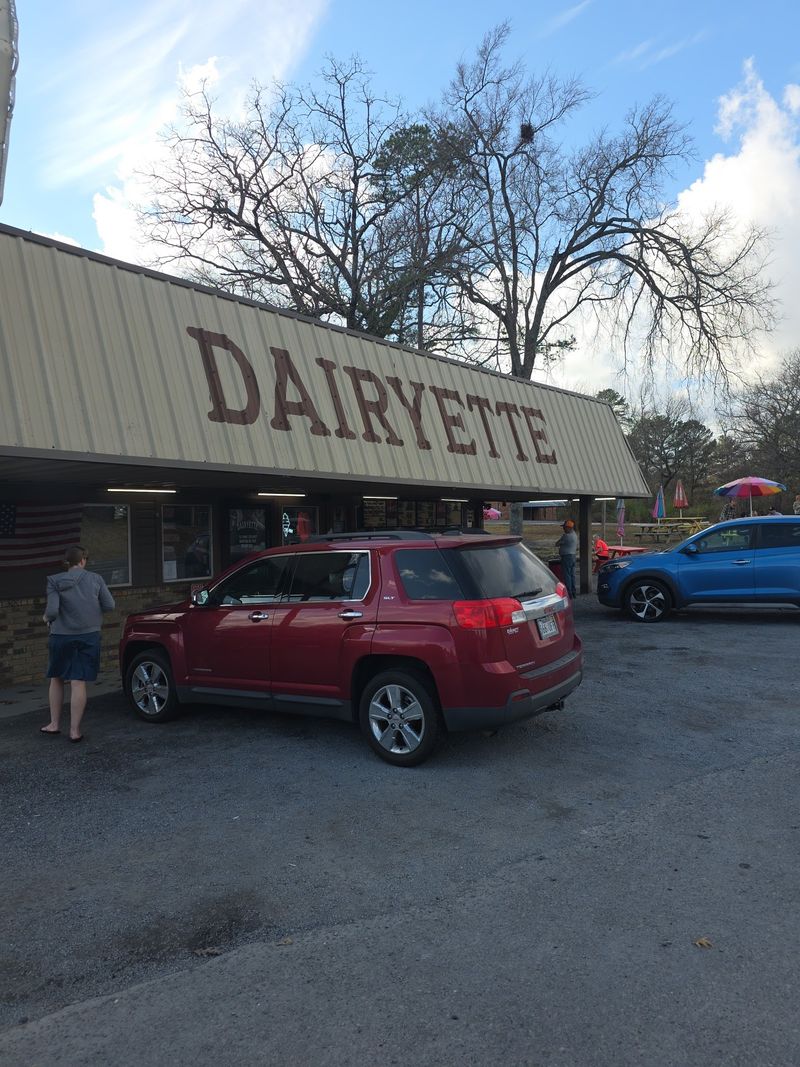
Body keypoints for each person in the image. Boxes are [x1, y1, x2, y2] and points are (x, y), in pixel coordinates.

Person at [40, 545, 115, 742]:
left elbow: (53, 611)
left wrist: (45, 617)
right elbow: (110, 605)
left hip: (61, 636)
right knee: (78, 680)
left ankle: (54, 724)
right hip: (89, 635)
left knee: (56, 678)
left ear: (68, 562)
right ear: (83, 560)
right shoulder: (96, 579)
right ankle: (75, 731)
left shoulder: (54, 580)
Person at [555, 519, 578, 597]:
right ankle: (574, 591)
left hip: (566, 557)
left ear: (569, 528)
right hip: (573, 556)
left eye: (564, 527)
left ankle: (569, 592)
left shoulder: (566, 536)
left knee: (567, 575)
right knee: (572, 575)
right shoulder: (575, 534)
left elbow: (557, 544)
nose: (563, 529)